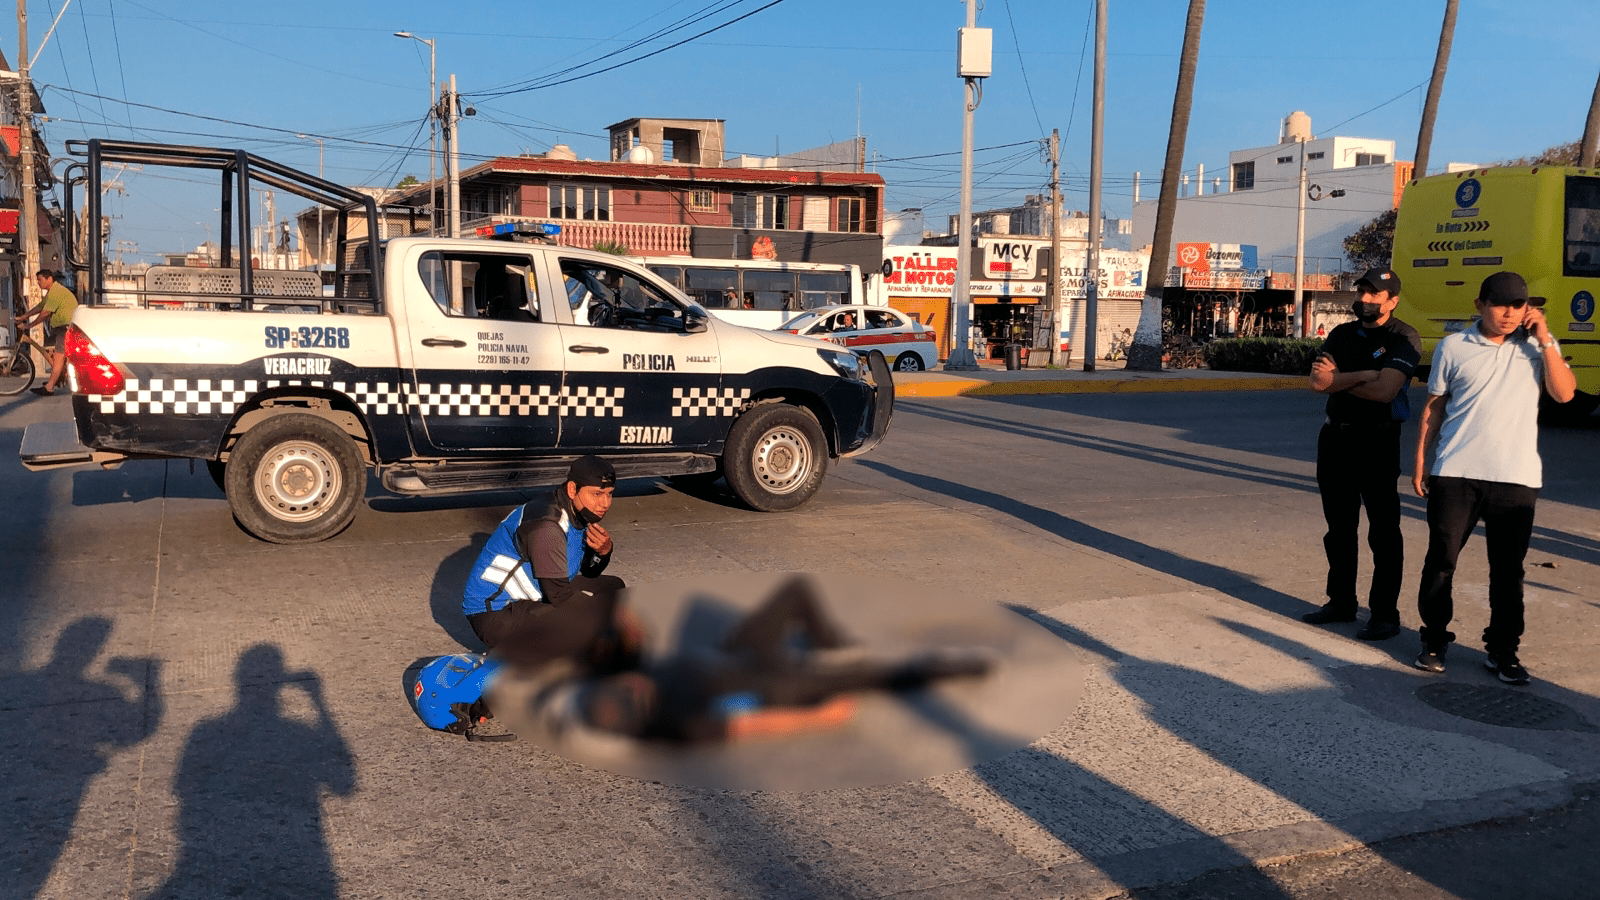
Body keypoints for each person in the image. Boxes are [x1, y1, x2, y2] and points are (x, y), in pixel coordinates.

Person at [509, 576, 993, 745]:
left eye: (621, 688)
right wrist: (818, 720)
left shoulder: (615, 687)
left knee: (793, 592)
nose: (634, 687)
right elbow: (748, 728)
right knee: (872, 678)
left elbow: (574, 683)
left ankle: (831, 640)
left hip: (733, 653)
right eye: (631, 698)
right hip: (767, 685)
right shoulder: (681, 726)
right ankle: (963, 667)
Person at [1411, 272, 1576, 684]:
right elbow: (1434, 408)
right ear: (1479, 304)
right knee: (1441, 562)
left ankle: (1503, 650)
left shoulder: (1538, 349)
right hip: (1456, 473)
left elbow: (1565, 394)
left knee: (1508, 572)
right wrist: (1420, 462)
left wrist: (1546, 338)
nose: (1508, 313)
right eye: (1499, 304)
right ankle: (1434, 641)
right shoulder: (1453, 347)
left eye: (1517, 306)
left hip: (1516, 478)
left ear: (1527, 309)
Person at [1301, 267, 1421, 641]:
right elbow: (1318, 382)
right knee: (1339, 530)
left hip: (1377, 443)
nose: (1366, 300)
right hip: (1335, 440)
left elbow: (1385, 392)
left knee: (1383, 532)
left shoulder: (1404, 337)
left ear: (1392, 301)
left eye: (1375, 295)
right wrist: (1366, 374)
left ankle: (1385, 615)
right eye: (1363, 292)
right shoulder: (1340, 333)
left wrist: (1340, 380)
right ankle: (1341, 602)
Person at [462, 455, 640, 672]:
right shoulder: (547, 528)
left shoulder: (578, 512)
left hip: (535, 596)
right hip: (496, 614)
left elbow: (588, 572)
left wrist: (603, 552)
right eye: (597, 494)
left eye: (609, 494)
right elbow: (560, 596)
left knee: (613, 588)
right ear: (573, 489)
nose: (605, 504)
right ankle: (493, 684)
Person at [15, 269, 79, 395]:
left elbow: (45, 313)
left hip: (66, 328)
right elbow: (40, 307)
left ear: (49, 279)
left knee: (58, 357)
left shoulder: (57, 292)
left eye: (40, 280)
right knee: (47, 350)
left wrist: (29, 325)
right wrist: (24, 316)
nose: (38, 283)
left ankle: (50, 387)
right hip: (58, 328)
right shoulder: (51, 293)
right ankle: (58, 376)